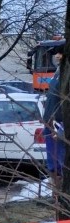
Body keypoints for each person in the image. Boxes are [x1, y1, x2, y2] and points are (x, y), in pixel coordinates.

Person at [42, 49, 65, 192]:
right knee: (53, 164)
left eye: (60, 53)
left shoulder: (65, 75)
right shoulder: (58, 73)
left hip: (60, 125)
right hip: (50, 124)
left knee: (61, 163)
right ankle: (56, 196)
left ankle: (62, 195)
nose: (56, 56)